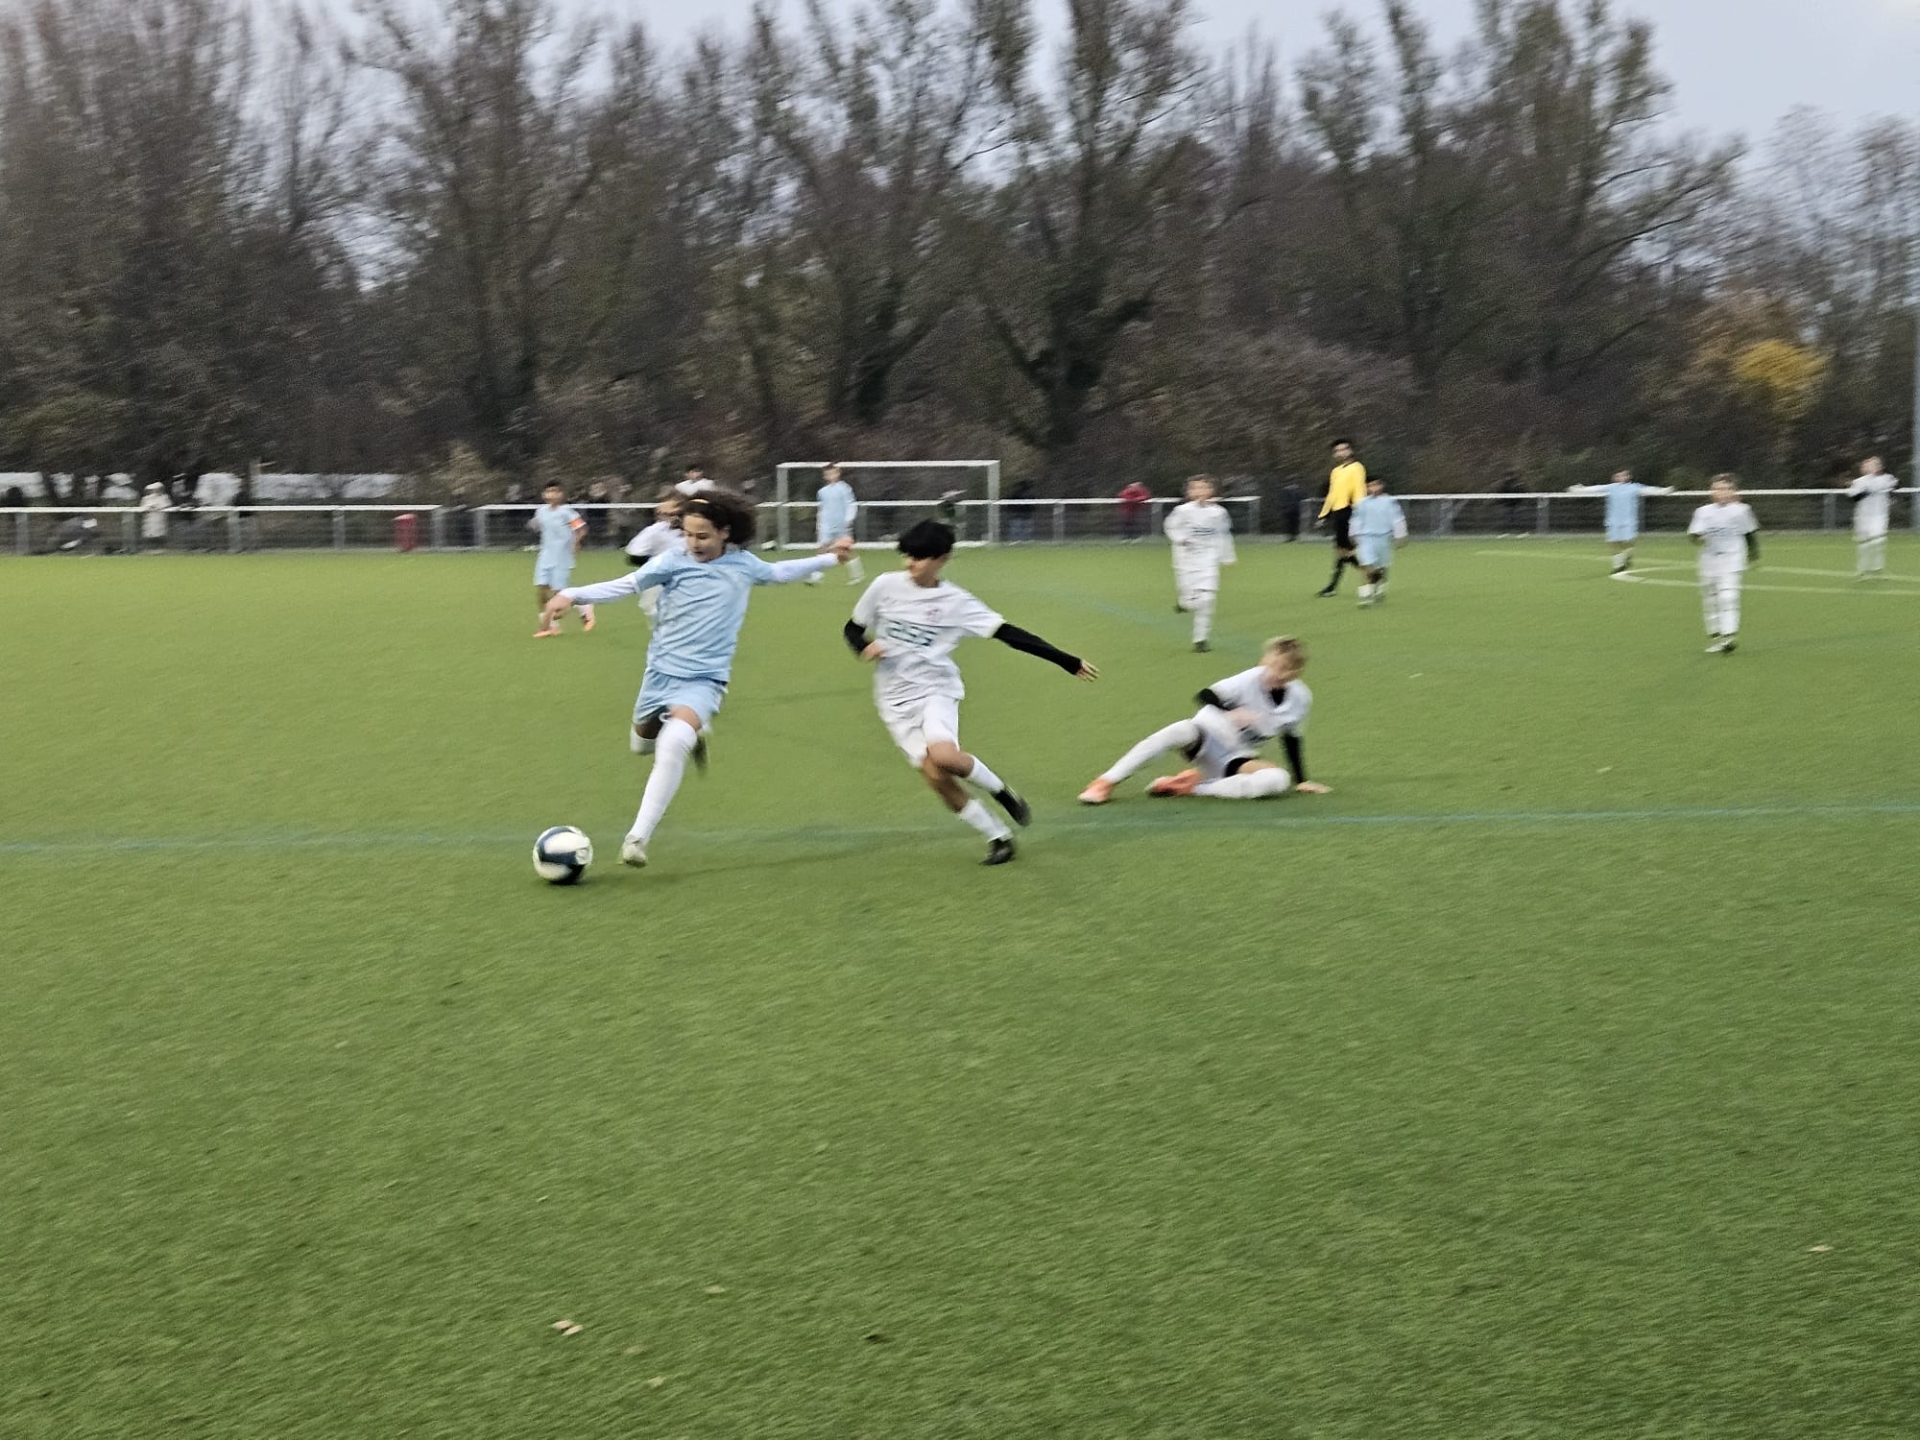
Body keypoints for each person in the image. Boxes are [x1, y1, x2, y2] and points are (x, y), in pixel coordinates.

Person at [542, 488, 854, 868]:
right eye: (688, 534)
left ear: (725, 532)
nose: (694, 543)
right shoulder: (673, 561)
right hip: (660, 673)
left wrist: (830, 558)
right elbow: (628, 584)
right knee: (642, 745)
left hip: (706, 679)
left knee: (673, 742)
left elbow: (780, 572)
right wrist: (572, 594)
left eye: (702, 535)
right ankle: (685, 731)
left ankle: (637, 838)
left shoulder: (743, 565)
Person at [845, 520, 1097, 866]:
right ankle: (998, 837)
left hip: (935, 688)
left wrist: (1066, 661)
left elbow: (1009, 634)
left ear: (942, 559)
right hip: (893, 699)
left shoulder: (956, 602)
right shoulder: (885, 586)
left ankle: (1001, 791)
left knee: (945, 757)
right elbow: (853, 629)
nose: (909, 564)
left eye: (919, 557)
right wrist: (863, 647)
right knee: (936, 777)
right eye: (907, 556)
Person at [1078, 637, 1332, 804]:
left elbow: (1292, 738)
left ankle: (1192, 787)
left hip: (1235, 758)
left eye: (1284, 668)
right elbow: (1205, 694)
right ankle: (1106, 782)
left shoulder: (1300, 698)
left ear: (1296, 672)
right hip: (1203, 737)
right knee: (1177, 730)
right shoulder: (1249, 679)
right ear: (1265, 660)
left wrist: (1302, 780)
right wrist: (1232, 711)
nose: (1276, 672)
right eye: (1273, 664)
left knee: (1278, 780)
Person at [1688, 474, 1760, 654]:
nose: (1721, 492)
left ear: (1732, 491)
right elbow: (1693, 535)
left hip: (1732, 558)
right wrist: (1699, 539)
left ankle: (1729, 636)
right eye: (1718, 489)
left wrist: (1754, 554)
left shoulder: (1742, 510)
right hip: (1710, 559)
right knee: (1711, 598)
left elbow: (1749, 533)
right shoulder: (1703, 512)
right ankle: (1716, 636)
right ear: (1711, 491)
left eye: (1726, 489)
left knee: (1728, 596)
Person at [1165, 474, 1237, 652]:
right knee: (1191, 602)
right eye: (1195, 488)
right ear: (1189, 492)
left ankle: (1200, 639)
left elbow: (1223, 534)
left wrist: (1227, 556)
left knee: (1207, 599)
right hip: (1185, 561)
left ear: (1211, 490)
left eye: (1203, 487)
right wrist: (1181, 539)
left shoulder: (1219, 513)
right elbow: (1170, 527)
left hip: (1208, 560)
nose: (1200, 491)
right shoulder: (1182, 511)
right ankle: (1184, 603)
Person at [1567, 468, 1673, 573]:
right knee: (1614, 542)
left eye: (1624, 475)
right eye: (1619, 476)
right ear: (1615, 477)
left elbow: (1650, 490)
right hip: (1613, 520)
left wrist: (1664, 490)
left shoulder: (1634, 487)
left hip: (1629, 520)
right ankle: (1618, 566)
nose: (1621, 477)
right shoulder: (1611, 487)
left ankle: (1628, 554)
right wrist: (1578, 489)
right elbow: (1595, 488)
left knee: (1628, 541)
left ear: (1628, 477)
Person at [528, 482, 595, 638]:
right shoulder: (541, 512)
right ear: (543, 494)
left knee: (559, 593)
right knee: (541, 590)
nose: (551, 494)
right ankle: (551, 625)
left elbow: (581, 529)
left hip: (562, 556)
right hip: (545, 555)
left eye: (555, 491)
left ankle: (582, 605)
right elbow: (538, 526)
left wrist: (576, 543)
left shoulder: (567, 512)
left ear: (561, 494)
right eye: (548, 491)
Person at [624, 492, 687, 622]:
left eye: (676, 513)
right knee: (658, 612)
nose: (673, 518)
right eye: (666, 514)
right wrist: (659, 566)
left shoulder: (696, 530)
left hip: (690, 578)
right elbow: (634, 555)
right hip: (661, 580)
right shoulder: (655, 531)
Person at [1316, 439, 1367, 596]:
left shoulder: (1357, 468)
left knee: (1343, 550)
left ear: (1350, 451)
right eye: (1337, 451)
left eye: (1343, 449)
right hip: (1338, 514)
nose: (1340, 453)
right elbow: (1332, 494)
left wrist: (1359, 513)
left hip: (1349, 511)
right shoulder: (1336, 471)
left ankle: (1333, 586)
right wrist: (1324, 514)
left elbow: (1359, 490)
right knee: (1342, 551)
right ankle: (1371, 574)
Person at [1351, 475, 1408, 606]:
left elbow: (1397, 519)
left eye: (1376, 485)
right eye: (1370, 485)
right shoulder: (1362, 503)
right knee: (1366, 565)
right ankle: (1365, 595)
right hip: (1366, 537)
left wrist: (1400, 536)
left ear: (1381, 486)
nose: (1373, 488)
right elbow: (1356, 520)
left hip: (1384, 538)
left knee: (1382, 567)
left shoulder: (1389, 502)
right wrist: (1353, 534)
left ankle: (1379, 589)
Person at [809, 462, 866, 585]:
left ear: (838, 474)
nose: (831, 476)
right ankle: (817, 575)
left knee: (844, 551)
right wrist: (820, 523)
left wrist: (848, 519)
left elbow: (851, 504)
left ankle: (857, 575)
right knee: (822, 548)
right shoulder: (822, 492)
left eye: (833, 473)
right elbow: (822, 508)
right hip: (827, 525)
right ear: (824, 476)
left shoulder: (844, 488)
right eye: (828, 474)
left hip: (842, 525)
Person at [1842, 456, 1898, 578]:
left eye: (1874, 465)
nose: (1871, 467)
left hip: (1879, 516)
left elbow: (1895, 486)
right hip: (1863, 517)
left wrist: (1889, 493)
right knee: (1864, 543)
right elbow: (1853, 498)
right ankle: (1862, 569)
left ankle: (1877, 567)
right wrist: (1865, 492)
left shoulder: (1886, 479)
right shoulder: (1860, 482)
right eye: (1868, 465)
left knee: (1878, 540)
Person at [138, 483, 172, 552]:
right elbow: (143, 507)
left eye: (158, 489)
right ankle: (149, 549)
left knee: (160, 533)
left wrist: (157, 507)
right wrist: (149, 507)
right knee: (149, 533)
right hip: (149, 518)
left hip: (160, 518)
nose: (155, 491)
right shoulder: (146, 498)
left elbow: (167, 505)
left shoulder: (164, 497)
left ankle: (161, 548)